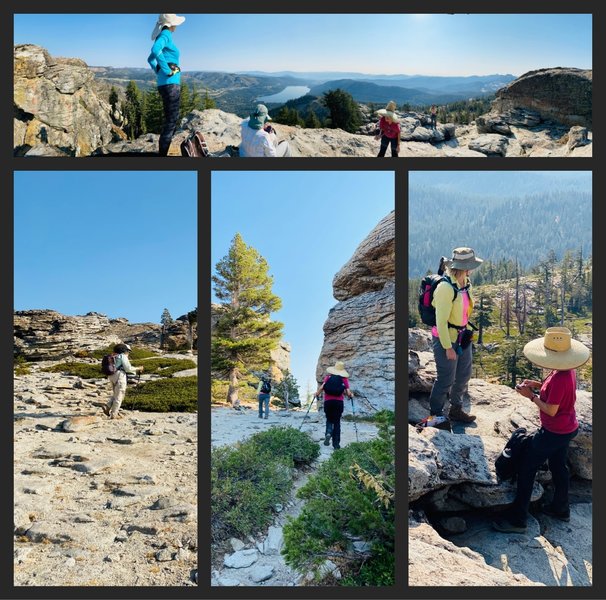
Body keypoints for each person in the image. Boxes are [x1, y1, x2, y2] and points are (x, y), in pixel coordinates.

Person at [492, 327, 590, 534]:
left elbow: (551, 410)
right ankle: (561, 509)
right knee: (558, 466)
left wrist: (530, 396)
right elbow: (555, 392)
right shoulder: (567, 369)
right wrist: (537, 384)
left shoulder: (559, 378)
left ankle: (518, 519)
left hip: (553, 431)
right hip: (568, 428)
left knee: (527, 467)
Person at [428, 247, 484, 423]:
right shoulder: (445, 288)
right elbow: (441, 322)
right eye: (470, 266)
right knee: (445, 379)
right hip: (446, 338)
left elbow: (464, 312)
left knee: (463, 375)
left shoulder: (465, 283)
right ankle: (436, 415)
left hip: (462, 336)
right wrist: (447, 347)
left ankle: (456, 410)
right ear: (464, 267)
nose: (472, 269)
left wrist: (466, 333)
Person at [147, 14, 186, 156]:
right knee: (171, 122)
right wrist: (167, 70)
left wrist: (158, 69)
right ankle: (162, 156)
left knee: (170, 120)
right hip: (171, 84)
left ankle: (162, 152)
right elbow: (155, 50)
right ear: (171, 24)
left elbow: (150, 59)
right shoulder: (166, 34)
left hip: (163, 84)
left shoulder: (162, 35)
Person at [315, 361, 353, 450]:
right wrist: (351, 395)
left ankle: (328, 432)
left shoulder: (328, 377)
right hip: (338, 403)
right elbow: (348, 392)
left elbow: (322, 388)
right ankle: (336, 445)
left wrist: (316, 394)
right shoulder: (344, 379)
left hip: (328, 402)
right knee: (337, 422)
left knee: (329, 419)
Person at [103, 343, 143, 419]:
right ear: (124, 350)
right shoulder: (122, 356)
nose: (128, 353)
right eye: (128, 351)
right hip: (119, 375)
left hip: (111, 375)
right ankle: (114, 414)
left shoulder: (113, 356)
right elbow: (128, 368)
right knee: (120, 394)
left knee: (116, 393)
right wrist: (138, 368)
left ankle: (107, 406)